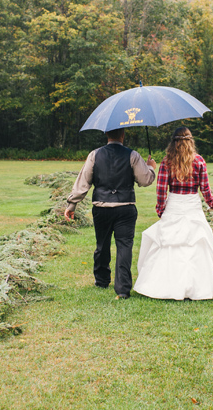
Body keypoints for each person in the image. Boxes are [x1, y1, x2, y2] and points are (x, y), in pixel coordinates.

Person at [64, 128, 157, 299]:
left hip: (101, 207)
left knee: (102, 244)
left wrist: (72, 204)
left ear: (107, 134)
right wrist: (151, 168)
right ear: (123, 135)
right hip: (125, 207)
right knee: (124, 246)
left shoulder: (94, 155)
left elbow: (84, 181)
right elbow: (145, 180)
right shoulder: (133, 155)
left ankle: (101, 280)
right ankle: (122, 289)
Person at [133, 126, 213, 301]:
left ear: (173, 143)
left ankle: (164, 286)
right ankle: (197, 289)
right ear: (191, 142)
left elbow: (161, 190)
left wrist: (161, 209)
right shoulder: (199, 161)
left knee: (169, 244)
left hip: (174, 204)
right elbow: (205, 189)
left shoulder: (167, 162)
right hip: (192, 205)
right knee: (194, 245)